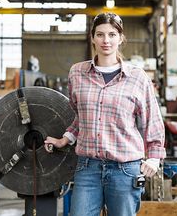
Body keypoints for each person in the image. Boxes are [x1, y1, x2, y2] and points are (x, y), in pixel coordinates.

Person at [44, 12, 166, 216]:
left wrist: (154, 157)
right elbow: (80, 115)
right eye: (100, 34)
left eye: (112, 34)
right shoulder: (77, 73)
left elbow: (152, 121)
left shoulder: (137, 77)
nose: (106, 40)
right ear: (92, 37)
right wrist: (65, 138)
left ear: (120, 38)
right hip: (87, 167)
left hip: (125, 169)